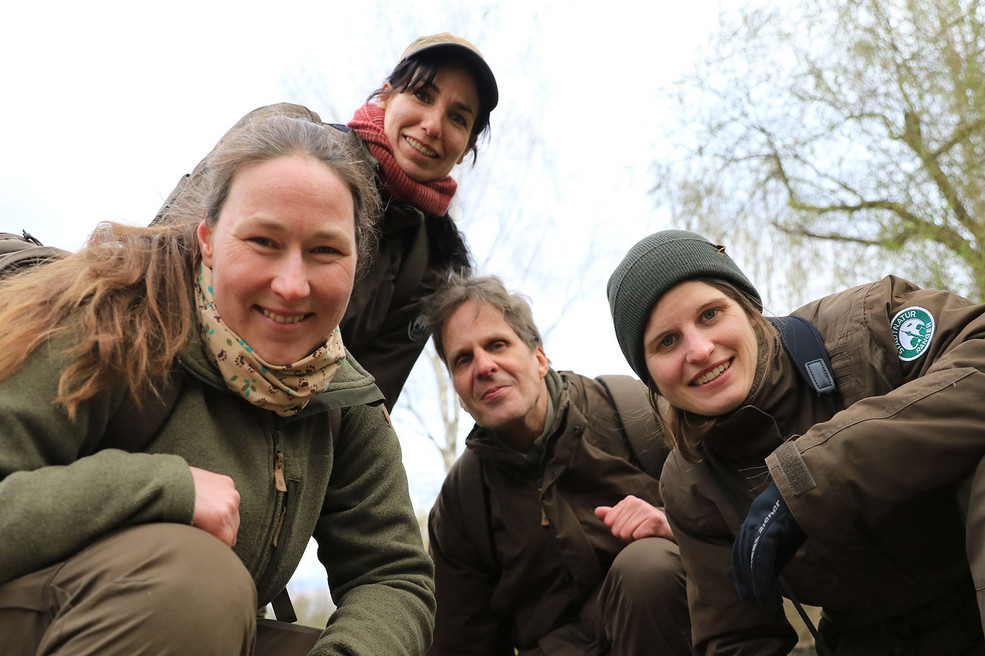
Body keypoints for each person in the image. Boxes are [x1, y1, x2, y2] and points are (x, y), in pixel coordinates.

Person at [0, 110, 434, 655]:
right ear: (207, 239)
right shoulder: (104, 322)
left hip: (175, 628)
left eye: (325, 250)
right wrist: (164, 488)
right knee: (200, 586)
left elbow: (392, 575)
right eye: (263, 241)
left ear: (356, 261)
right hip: (44, 617)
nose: (292, 285)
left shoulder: (345, 397)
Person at [606, 229, 985, 655]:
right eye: (667, 341)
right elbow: (738, 638)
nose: (699, 350)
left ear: (750, 311)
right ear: (649, 376)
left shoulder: (867, 325)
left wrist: (811, 475)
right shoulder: (689, 483)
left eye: (710, 314)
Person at [155, 32, 498, 410]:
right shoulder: (282, 139)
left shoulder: (429, 266)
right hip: (167, 381)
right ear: (386, 95)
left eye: (457, 118)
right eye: (422, 95)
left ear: (467, 148)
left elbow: (363, 405)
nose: (433, 125)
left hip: (288, 439)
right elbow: (159, 258)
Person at [425, 274, 693, 656]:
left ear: (538, 358)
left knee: (647, 569)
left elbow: (734, 517)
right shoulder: (462, 502)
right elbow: (460, 641)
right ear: (459, 393)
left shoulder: (633, 413)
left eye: (497, 344)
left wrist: (672, 525)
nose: (483, 366)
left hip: (676, 635)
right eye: (463, 359)